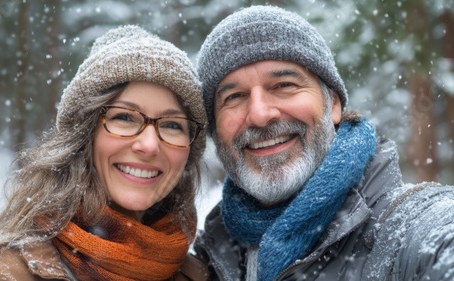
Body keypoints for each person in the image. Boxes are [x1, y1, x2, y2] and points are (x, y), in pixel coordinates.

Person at [193, 5, 454, 281]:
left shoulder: (412, 231)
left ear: (334, 104)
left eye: (284, 85)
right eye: (233, 97)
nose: (259, 114)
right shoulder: (204, 262)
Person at [0, 25, 208, 280]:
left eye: (172, 124)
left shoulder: (198, 274)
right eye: (124, 117)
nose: (149, 145)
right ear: (84, 135)